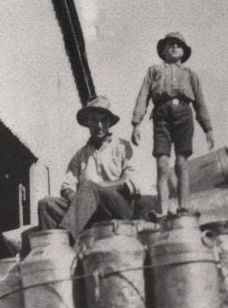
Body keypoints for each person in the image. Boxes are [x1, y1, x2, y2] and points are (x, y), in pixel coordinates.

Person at [131, 32, 214, 219]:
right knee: (162, 163)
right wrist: (136, 123)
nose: (174, 47)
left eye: (178, 45)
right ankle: (162, 209)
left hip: (184, 115)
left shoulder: (190, 74)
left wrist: (208, 128)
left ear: (184, 51)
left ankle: (184, 207)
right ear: (163, 50)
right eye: (170, 45)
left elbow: (200, 102)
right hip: (161, 115)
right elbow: (143, 96)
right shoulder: (154, 71)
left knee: (181, 162)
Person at [37, 96, 136, 239]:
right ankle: (51, 248)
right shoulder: (80, 155)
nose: (99, 125)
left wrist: (96, 189)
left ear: (109, 122)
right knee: (46, 204)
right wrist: (78, 199)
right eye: (94, 120)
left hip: (117, 208)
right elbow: (66, 187)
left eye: (103, 120)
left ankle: (68, 242)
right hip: (87, 209)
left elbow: (130, 183)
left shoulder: (122, 146)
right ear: (87, 123)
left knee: (89, 187)